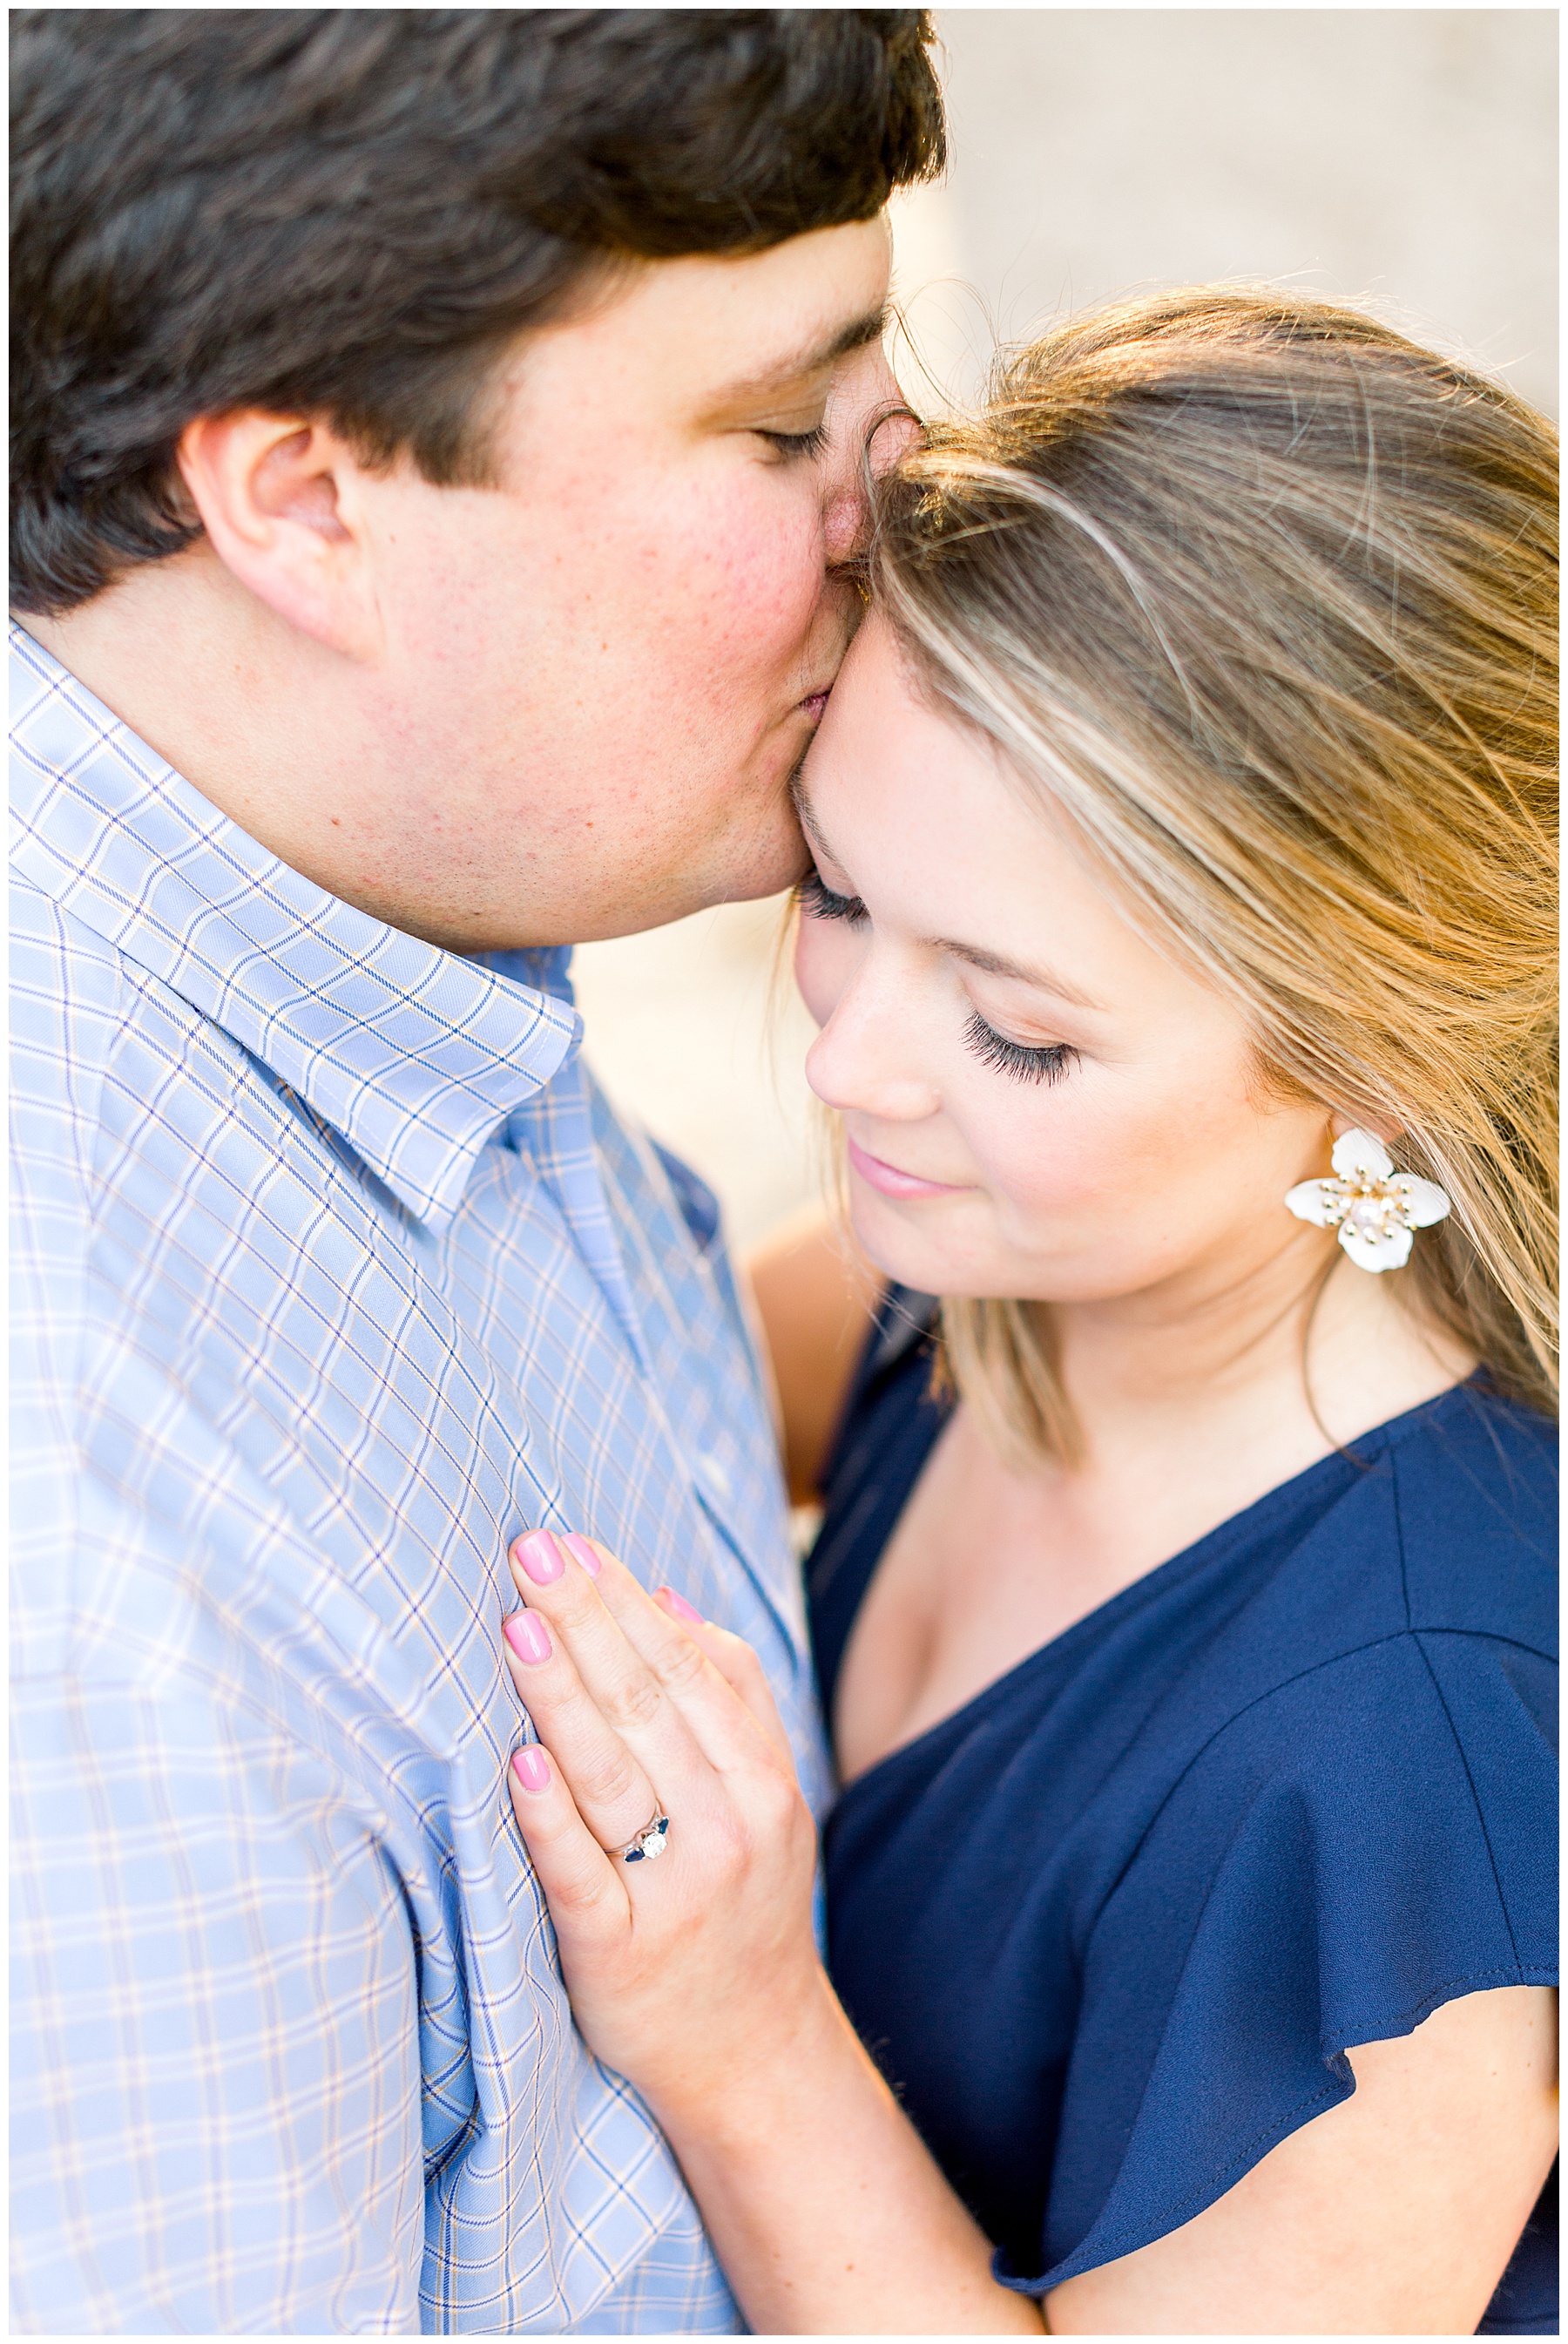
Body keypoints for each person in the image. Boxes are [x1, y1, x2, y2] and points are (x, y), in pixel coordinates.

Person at [493, 289, 1558, 2334]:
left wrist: (744, 2033)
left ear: (1380, 1057)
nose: (849, 1069)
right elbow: (653, 1355)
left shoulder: (1414, 1759)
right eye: (839, 893)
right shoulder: (999, 1272)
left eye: (1019, 1030)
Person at [9, 10, 945, 2330]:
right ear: (312, 499)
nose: (902, 493)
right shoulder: (100, 1621)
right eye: (775, 425)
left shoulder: (380, 857)